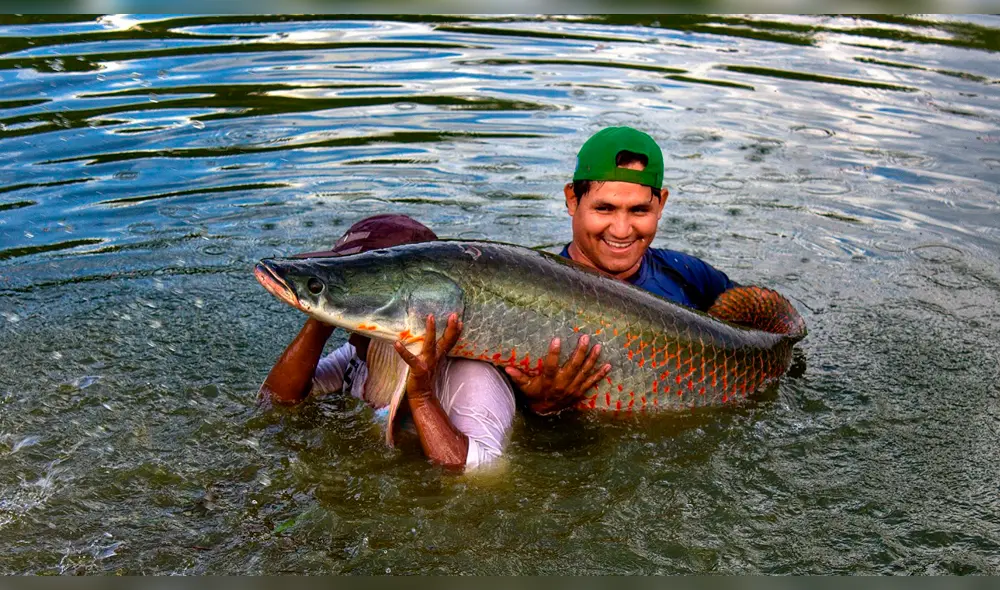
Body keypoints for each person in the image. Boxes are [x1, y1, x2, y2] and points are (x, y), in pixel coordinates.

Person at [505, 126, 738, 415]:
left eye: (639, 211)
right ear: (572, 200)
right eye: (604, 208)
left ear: (661, 203)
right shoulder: (528, 296)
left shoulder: (689, 275)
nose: (621, 230)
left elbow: (756, 329)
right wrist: (541, 409)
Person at [258, 214, 520, 471]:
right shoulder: (360, 353)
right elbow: (276, 402)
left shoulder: (473, 376)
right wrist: (322, 317)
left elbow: (482, 476)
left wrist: (422, 396)